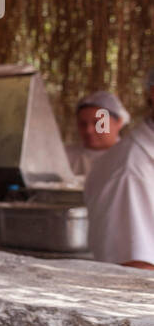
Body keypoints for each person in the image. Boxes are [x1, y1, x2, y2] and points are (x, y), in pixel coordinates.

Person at [84, 69, 154, 268]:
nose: (91, 130)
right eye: (84, 123)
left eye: (98, 123)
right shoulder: (130, 172)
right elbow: (137, 271)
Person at [65, 90, 129, 177]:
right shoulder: (65, 157)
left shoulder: (129, 158)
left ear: (119, 122)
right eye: (83, 124)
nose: (88, 130)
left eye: (98, 124)